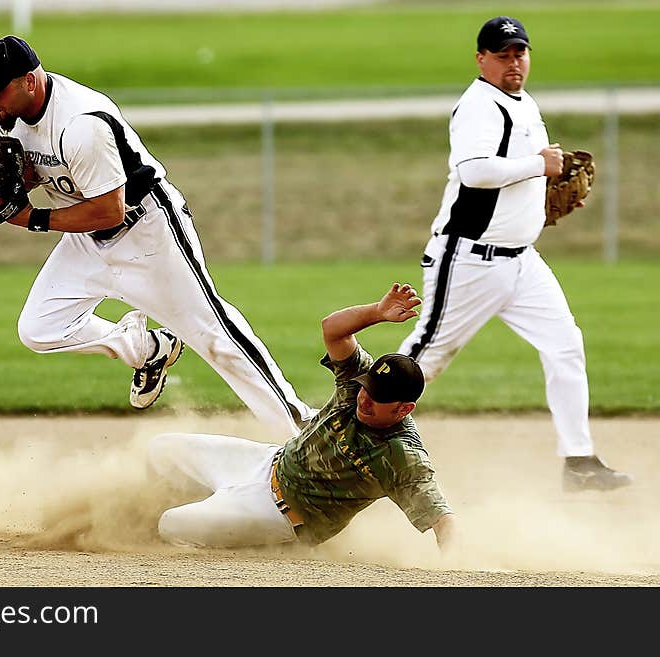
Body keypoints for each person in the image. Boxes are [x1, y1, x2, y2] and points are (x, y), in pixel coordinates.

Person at [0, 35, 313, 437]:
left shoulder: (81, 124)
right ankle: (148, 349)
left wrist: (32, 218)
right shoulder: (11, 116)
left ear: (28, 81)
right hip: (87, 239)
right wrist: (13, 188)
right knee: (39, 328)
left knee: (214, 335)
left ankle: (301, 426)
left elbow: (109, 208)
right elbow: (39, 173)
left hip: (146, 233)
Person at [396, 16, 632, 492]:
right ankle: (342, 424)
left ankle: (579, 462)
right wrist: (538, 165)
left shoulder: (525, 104)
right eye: (502, 55)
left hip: (521, 259)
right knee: (424, 359)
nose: (513, 63)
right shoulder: (478, 107)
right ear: (481, 58)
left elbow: (521, 180)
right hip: (468, 260)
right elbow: (475, 172)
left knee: (566, 346)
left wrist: (539, 203)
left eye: (519, 53)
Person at [147, 282, 456, 552]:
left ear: (404, 409)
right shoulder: (356, 386)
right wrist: (377, 311)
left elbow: (442, 519)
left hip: (279, 515)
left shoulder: (401, 454)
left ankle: (258, 541)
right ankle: (215, 503)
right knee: (161, 450)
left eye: (380, 398)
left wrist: (454, 567)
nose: (366, 399)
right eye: (368, 388)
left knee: (169, 524)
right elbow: (333, 329)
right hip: (266, 462)